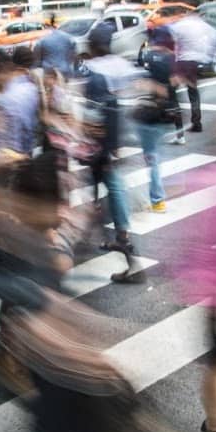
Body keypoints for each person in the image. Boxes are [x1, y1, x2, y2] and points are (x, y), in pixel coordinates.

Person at [79, 30, 143, 283]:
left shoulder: (94, 73)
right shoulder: (117, 67)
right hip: (107, 140)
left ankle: (123, 242)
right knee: (102, 186)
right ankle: (114, 237)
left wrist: (99, 147)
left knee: (110, 186)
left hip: (99, 143)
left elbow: (100, 112)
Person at [134, 30, 180, 213]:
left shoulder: (148, 56)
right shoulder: (172, 60)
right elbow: (176, 82)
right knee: (154, 156)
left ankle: (158, 199)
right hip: (163, 115)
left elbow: (140, 82)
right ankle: (158, 197)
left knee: (151, 157)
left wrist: (152, 86)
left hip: (148, 114)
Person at [169, 13, 216, 136]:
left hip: (182, 61)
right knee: (193, 93)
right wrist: (207, 55)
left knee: (171, 89)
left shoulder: (180, 25)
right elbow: (214, 39)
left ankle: (174, 115)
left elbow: (172, 40)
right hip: (196, 62)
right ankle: (196, 122)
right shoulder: (203, 26)